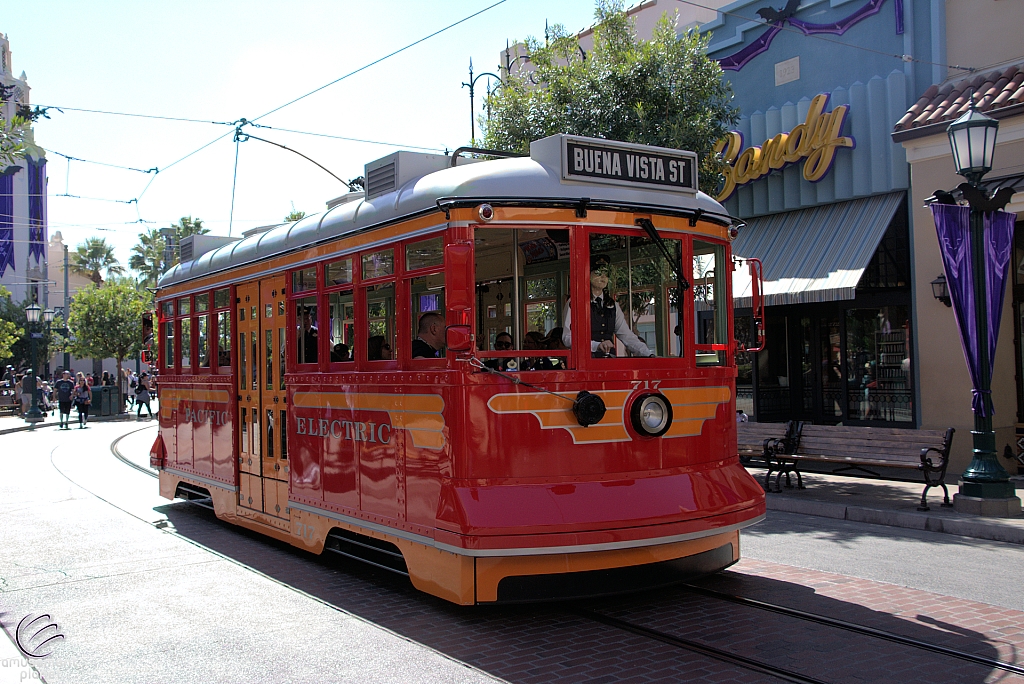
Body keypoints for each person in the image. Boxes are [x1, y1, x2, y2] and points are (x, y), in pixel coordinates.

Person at [562, 253, 654, 358]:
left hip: (608, 362)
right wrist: (596, 345)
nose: (603, 277)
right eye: (598, 272)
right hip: (584, 361)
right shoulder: (574, 302)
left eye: (606, 273)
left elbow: (627, 336)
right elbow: (567, 338)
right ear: (587, 274)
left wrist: (648, 354)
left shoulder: (612, 305)